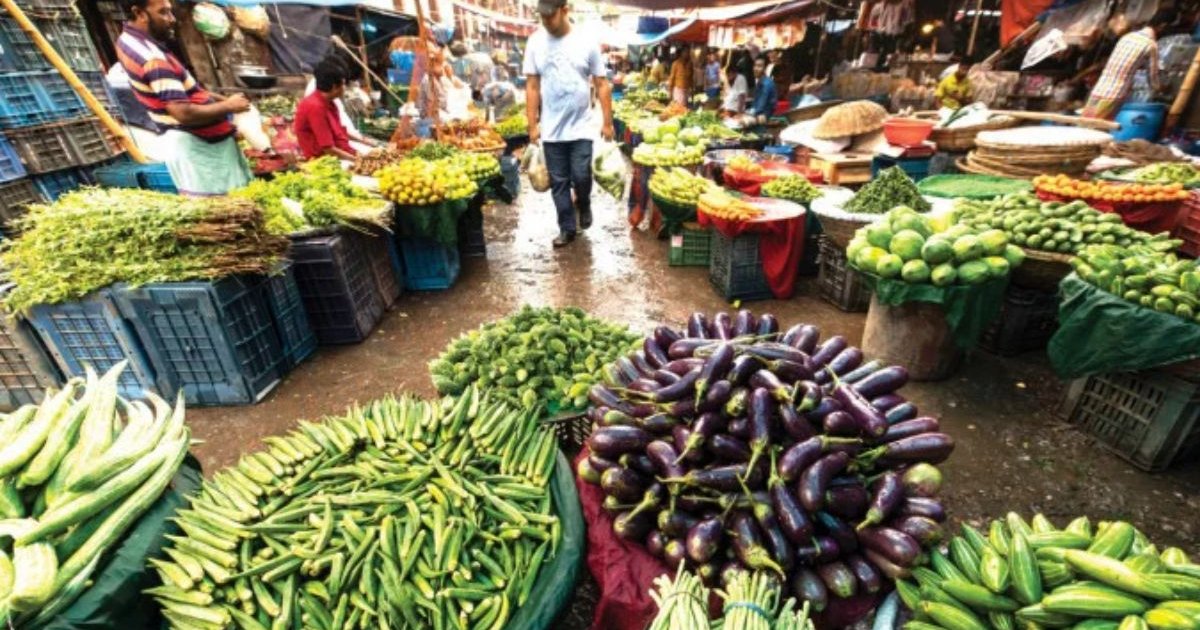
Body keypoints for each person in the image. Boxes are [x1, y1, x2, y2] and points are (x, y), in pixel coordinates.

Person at [116, 0, 251, 195]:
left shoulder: (127, 40)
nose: (172, 20)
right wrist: (228, 106)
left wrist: (220, 100)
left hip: (192, 145)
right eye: (163, 13)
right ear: (139, 13)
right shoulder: (153, 59)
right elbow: (183, 112)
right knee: (229, 209)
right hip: (200, 149)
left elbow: (183, 91)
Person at [524, 0, 614, 248]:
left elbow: (602, 83)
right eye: (542, 17)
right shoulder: (534, 42)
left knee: (581, 175)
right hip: (552, 130)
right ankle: (566, 228)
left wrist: (608, 122)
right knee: (559, 182)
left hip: (582, 127)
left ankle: (583, 202)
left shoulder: (586, 42)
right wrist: (532, 124)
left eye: (550, 17)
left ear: (565, 10)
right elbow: (532, 86)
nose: (546, 22)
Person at [1081, 16, 1168, 120]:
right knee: (1100, 125)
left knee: (1086, 122)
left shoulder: (1127, 37)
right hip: (1115, 92)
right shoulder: (1150, 45)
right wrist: (1159, 88)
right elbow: (1152, 76)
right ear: (1162, 27)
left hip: (1099, 88)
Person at [303, 54, 378, 152]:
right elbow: (328, 144)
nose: (345, 87)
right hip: (329, 149)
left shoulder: (330, 99)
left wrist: (362, 140)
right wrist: (355, 157)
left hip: (344, 141)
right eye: (342, 83)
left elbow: (339, 129)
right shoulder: (317, 101)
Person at [294, 59, 358, 161]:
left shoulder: (329, 102)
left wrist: (365, 143)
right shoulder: (315, 107)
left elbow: (339, 132)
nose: (345, 87)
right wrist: (357, 160)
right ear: (334, 87)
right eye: (343, 84)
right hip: (322, 160)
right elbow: (328, 149)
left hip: (338, 152)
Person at [747, 56, 777, 121]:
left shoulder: (766, 84)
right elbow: (755, 103)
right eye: (755, 65)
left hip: (764, 116)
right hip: (758, 114)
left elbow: (761, 106)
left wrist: (750, 113)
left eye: (759, 66)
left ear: (765, 68)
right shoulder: (760, 82)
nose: (755, 69)